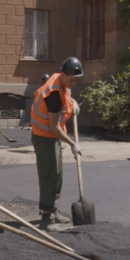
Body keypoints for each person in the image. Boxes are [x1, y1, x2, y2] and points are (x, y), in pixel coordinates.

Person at [31, 57, 83, 232]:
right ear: (63, 74)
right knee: (49, 175)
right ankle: (46, 217)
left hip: (51, 136)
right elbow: (54, 127)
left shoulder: (63, 83)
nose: (74, 83)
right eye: (71, 80)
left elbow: (66, 95)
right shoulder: (53, 94)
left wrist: (72, 102)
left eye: (77, 80)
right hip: (44, 137)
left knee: (58, 174)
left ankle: (53, 208)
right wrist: (72, 144)